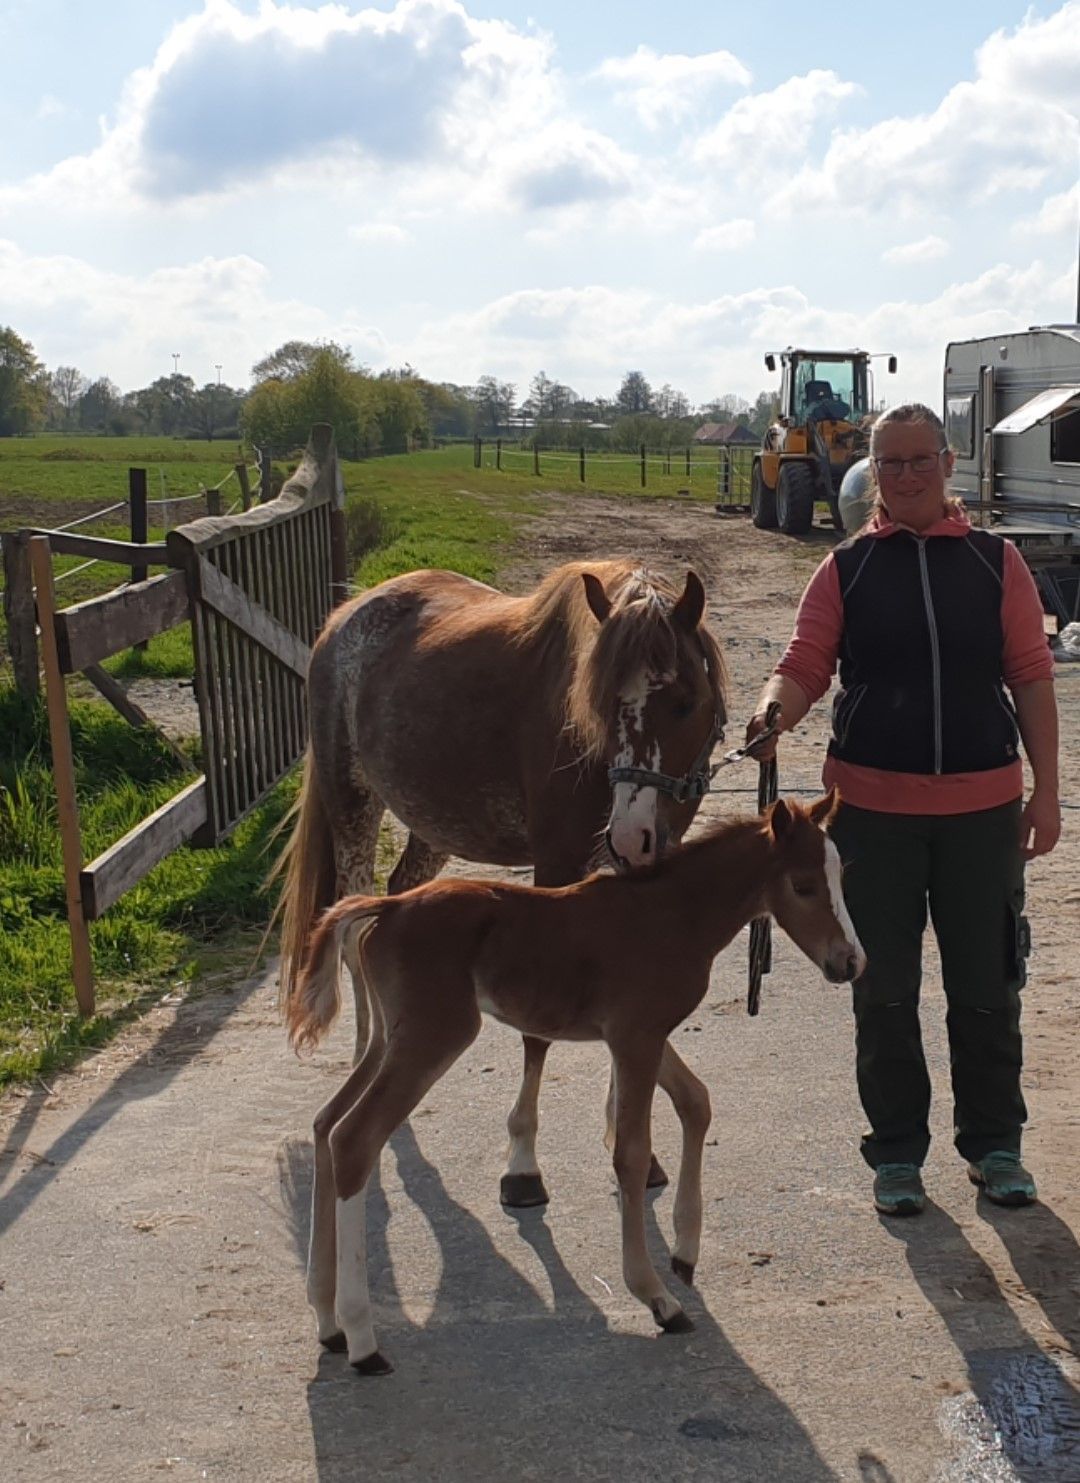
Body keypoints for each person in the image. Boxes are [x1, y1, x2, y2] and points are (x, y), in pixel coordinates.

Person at [747, 403, 1060, 1216]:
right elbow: (804, 662)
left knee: (987, 985)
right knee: (881, 990)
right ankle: (896, 1155)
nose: (908, 474)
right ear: (873, 473)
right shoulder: (846, 568)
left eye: (922, 459)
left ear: (949, 464)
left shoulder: (997, 563)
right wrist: (773, 709)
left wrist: (1048, 790)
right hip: (871, 818)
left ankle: (994, 1145)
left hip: (982, 812)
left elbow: (1031, 675)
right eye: (891, 461)